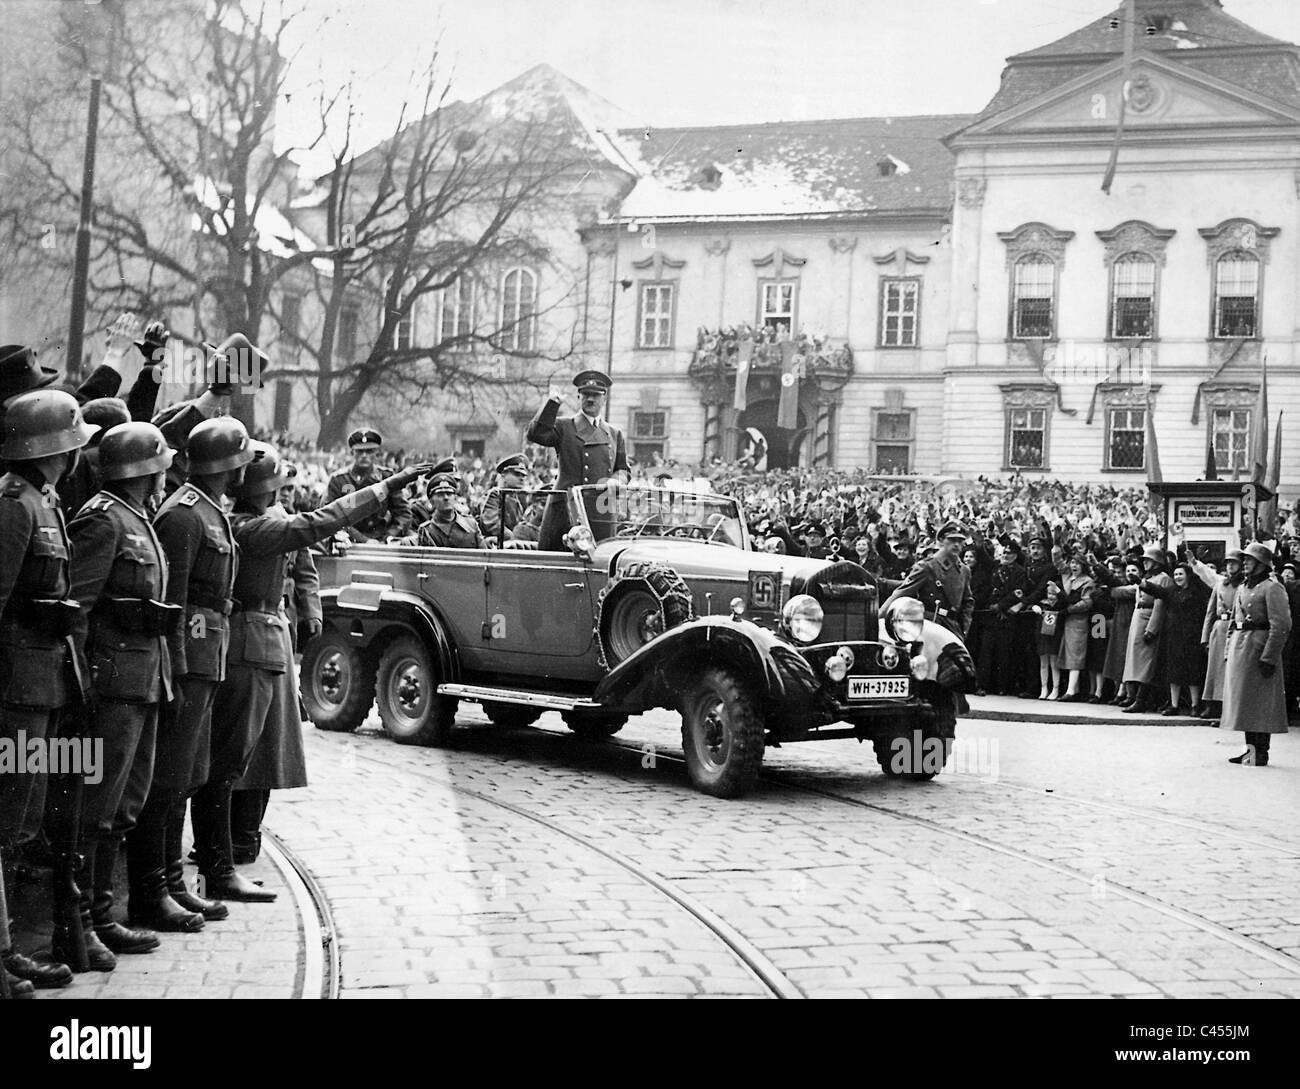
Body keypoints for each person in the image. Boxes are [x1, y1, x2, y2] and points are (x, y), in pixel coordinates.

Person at [192, 443, 433, 900]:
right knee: (233, 757)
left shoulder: (250, 521)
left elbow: (304, 557)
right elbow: (316, 523)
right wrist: (384, 488)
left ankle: (234, 847)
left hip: (262, 636)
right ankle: (220, 861)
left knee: (254, 751)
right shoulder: (255, 526)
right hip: (249, 640)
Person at [124, 418, 253, 934]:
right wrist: (174, 670)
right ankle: (153, 890)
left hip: (208, 657)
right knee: (169, 776)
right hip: (187, 661)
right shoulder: (184, 515)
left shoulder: (209, 511)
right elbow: (171, 599)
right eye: (240, 460)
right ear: (225, 464)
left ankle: (174, 882)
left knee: (188, 773)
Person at [66, 422, 179, 964]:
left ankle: (104, 914)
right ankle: (80, 921)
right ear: (143, 469)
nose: (165, 475)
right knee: (97, 806)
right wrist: (84, 681)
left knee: (126, 804)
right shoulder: (104, 521)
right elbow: (78, 609)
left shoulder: (139, 519)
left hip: (143, 681)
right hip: (111, 684)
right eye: (160, 467)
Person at [0, 390, 94, 994]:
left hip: (45, 683)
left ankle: (10, 948)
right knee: (8, 819)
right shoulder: (13, 504)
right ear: (56, 446)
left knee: (26, 818)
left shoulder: (44, 501)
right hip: (16, 688)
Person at [526, 370, 629, 550]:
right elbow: (536, 434)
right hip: (566, 510)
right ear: (579, 396)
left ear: (604, 398)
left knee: (599, 565)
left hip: (601, 513)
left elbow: (623, 469)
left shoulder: (614, 433)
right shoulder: (564, 426)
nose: (590, 400)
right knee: (557, 565)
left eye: (596, 395)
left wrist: (617, 479)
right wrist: (552, 404)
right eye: (586, 395)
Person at [1222, 542, 1292, 765]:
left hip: (1260, 648)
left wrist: (1269, 657)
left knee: (1261, 703)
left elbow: (1281, 625)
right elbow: (1235, 621)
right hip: (1242, 648)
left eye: (1249, 560)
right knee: (1245, 703)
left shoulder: (1272, 587)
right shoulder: (1243, 587)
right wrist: (1228, 648)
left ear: (1261, 564)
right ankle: (1250, 750)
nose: (1245, 563)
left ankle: (1261, 751)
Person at [884, 522, 974, 639]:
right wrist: (878, 617)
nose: (956, 545)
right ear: (941, 541)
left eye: (960, 541)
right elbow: (902, 592)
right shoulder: (928, 566)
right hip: (930, 625)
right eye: (952, 540)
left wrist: (964, 628)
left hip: (953, 627)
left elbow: (968, 601)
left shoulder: (964, 571)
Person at [1113, 544, 1173, 713]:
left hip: (1148, 620)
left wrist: (1152, 629)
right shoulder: (1147, 577)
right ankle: (1132, 695)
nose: (1145, 563)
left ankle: (1141, 699)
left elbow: (1159, 605)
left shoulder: (1162, 578)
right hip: (1138, 618)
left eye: (1148, 560)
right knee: (1134, 662)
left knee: (1146, 663)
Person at [324, 428, 413, 543]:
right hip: (347, 541)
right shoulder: (338, 480)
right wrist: (363, 540)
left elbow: (403, 514)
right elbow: (330, 517)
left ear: (377, 453)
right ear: (352, 453)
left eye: (369, 451)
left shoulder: (387, 477)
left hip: (382, 541)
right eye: (360, 451)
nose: (364, 455)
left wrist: (389, 537)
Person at [1144, 562, 1210, 716]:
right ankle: (1174, 705)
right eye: (1175, 575)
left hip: (1193, 636)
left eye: (1181, 574)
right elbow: (1157, 590)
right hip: (1174, 636)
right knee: (1174, 673)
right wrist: (1141, 583)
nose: (1177, 577)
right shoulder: (1171, 591)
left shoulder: (1197, 591)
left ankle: (1195, 705)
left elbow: (1208, 589)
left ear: (1188, 575)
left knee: (1193, 672)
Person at [1196, 549, 1243, 721]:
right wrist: (1205, 637)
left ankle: (1227, 708)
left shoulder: (1244, 585)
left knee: (1230, 670)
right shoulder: (1220, 584)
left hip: (1235, 629)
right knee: (1214, 670)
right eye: (1228, 563)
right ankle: (1212, 704)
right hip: (1219, 628)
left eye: (1234, 563)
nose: (1230, 566)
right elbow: (1210, 612)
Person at [979, 541, 1028, 695]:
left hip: (1007, 616)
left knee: (1004, 654)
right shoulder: (996, 567)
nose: (1006, 556)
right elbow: (983, 558)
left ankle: (1002, 687)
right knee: (985, 652)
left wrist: (1001, 606)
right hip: (991, 616)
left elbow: (1018, 592)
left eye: (1009, 553)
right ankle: (983, 685)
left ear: (1015, 555)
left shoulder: (1020, 571)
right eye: (1004, 553)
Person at [1057, 555, 1096, 700]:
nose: (1074, 566)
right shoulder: (1068, 578)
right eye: (1072, 562)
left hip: (1078, 621)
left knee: (1075, 655)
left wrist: (1070, 609)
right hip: (1067, 621)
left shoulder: (1088, 581)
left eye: (1078, 563)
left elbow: (1087, 603)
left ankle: (1071, 691)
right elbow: (1058, 561)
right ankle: (1074, 688)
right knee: (1069, 655)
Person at [415, 473, 486, 548]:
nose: (446, 498)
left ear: (455, 498)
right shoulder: (427, 531)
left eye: (449, 494)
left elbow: (485, 555)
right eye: (440, 495)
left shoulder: (471, 524)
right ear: (432, 501)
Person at [479, 453, 528, 544]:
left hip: (513, 543)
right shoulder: (495, 495)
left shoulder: (519, 497)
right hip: (496, 544)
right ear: (504, 474)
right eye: (517, 474)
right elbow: (491, 523)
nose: (521, 478)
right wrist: (513, 537)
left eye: (523, 475)